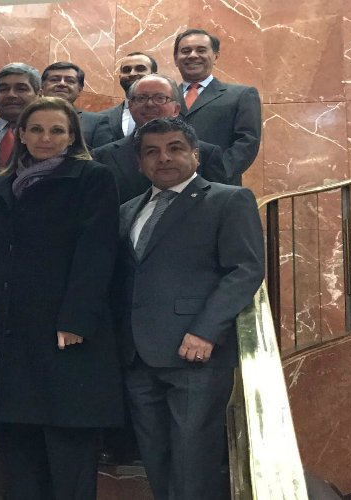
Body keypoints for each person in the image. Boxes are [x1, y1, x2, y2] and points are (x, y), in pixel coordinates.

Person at [0, 96, 124, 499]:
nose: (46, 137)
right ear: (21, 134)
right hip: (10, 331)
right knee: (19, 456)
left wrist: (76, 320)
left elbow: (97, 252)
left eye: (57, 130)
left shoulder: (92, 177)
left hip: (65, 333)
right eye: (37, 129)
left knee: (68, 452)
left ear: (72, 136)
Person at [112, 117, 265, 500]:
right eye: (152, 152)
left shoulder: (228, 200)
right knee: (156, 460)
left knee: (192, 461)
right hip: (137, 355)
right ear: (140, 163)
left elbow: (245, 270)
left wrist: (205, 331)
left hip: (194, 353)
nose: (163, 158)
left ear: (195, 155)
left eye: (175, 148)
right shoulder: (127, 210)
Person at [93, 74, 227, 203]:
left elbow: (220, 203)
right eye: (141, 98)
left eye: (160, 98)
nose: (150, 104)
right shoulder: (103, 156)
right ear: (131, 107)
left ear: (176, 109)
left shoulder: (206, 152)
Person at [174, 28, 262, 185]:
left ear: (215, 56)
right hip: (170, 184)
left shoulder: (241, 95)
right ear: (175, 59)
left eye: (201, 50)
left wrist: (219, 173)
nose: (193, 55)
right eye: (185, 51)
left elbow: (247, 142)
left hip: (218, 187)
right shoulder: (164, 97)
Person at [40, 61, 112, 148]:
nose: (62, 83)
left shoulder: (96, 122)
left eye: (70, 81)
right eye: (54, 79)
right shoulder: (28, 117)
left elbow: (103, 155)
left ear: (79, 89)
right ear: (42, 86)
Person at [95, 52, 157, 142]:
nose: (132, 74)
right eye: (126, 70)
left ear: (155, 75)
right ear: (120, 77)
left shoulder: (169, 113)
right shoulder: (100, 119)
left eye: (140, 69)